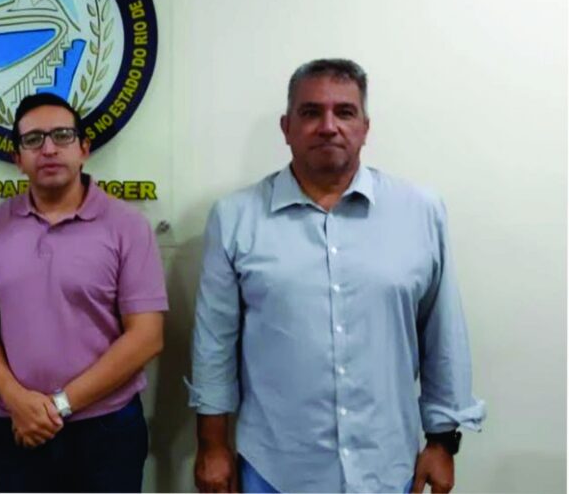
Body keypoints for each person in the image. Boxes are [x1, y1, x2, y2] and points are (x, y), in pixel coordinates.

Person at [189, 59, 486, 493]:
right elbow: (214, 342)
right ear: (287, 127)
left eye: (344, 112)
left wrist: (443, 442)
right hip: (274, 469)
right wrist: (212, 444)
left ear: (365, 127)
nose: (328, 127)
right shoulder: (236, 217)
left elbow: (443, 336)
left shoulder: (420, 212)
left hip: (388, 468)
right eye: (311, 112)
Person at [0, 93, 167, 492]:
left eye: (62, 135)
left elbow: (147, 337)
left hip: (107, 430)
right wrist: (16, 398)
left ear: (84, 149)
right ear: (17, 158)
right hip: (19, 426)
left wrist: (58, 406)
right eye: (33, 139)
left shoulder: (127, 226)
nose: (49, 149)